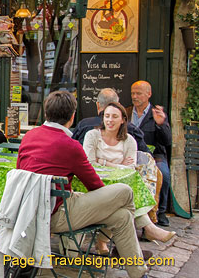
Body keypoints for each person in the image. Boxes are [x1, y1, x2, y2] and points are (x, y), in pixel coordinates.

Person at [17, 90, 148, 278]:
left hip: (30, 212)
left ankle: (138, 273)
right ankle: (123, 243)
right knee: (125, 192)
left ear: (46, 114)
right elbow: (94, 185)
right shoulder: (70, 145)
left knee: (122, 217)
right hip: (57, 215)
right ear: (71, 117)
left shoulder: (29, 137)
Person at [83, 102, 175, 252]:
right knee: (124, 198)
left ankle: (103, 241)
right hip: (95, 185)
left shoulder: (129, 140)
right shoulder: (92, 135)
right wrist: (116, 164)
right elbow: (90, 163)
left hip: (117, 187)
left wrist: (103, 162)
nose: (110, 120)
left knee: (123, 202)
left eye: (114, 116)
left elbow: (130, 169)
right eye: (107, 116)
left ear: (123, 120)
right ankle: (147, 227)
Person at [128, 80, 172, 227]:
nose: (135, 96)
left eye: (138, 93)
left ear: (149, 94)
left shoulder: (156, 114)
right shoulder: (126, 113)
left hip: (155, 155)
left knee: (163, 174)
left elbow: (167, 141)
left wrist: (161, 125)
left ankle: (161, 212)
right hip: (131, 154)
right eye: (133, 93)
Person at [72, 88, 149, 152]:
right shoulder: (131, 129)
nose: (109, 122)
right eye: (107, 116)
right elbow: (146, 156)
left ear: (98, 105)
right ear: (118, 105)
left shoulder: (84, 125)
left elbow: (72, 149)